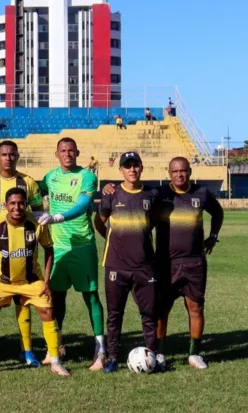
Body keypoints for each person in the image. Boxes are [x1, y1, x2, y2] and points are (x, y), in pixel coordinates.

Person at [102, 156, 223, 370]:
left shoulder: (201, 193)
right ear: (169, 174)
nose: (179, 175)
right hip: (165, 262)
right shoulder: (160, 194)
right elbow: (142, 216)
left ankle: (194, 353)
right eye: (175, 171)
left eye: (183, 171)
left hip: (194, 261)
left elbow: (218, 212)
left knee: (195, 306)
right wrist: (108, 188)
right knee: (161, 308)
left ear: (190, 171)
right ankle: (159, 352)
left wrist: (213, 236)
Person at [0, 188, 70, 378]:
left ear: (26, 205)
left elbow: (49, 250)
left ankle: (55, 361)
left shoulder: (37, 222)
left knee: (48, 311)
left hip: (32, 281)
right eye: (12, 203)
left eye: (21, 203)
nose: (17, 207)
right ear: (5, 206)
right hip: (3, 282)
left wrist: (46, 282)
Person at [37, 137, 105, 370]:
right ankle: (56, 345)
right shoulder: (50, 177)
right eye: (63, 151)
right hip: (58, 248)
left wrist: (57, 217)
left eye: (71, 150)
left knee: (91, 296)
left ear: (77, 152)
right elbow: (37, 193)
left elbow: (83, 205)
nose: (67, 154)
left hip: (82, 247)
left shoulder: (87, 176)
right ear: (56, 154)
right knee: (56, 296)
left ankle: (100, 349)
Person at [0, 140, 44, 367]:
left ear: (17, 156)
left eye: (12, 154)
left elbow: (38, 215)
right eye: (4, 154)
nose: (8, 158)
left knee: (23, 299)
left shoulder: (29, 183)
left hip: (22, 246)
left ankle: (27, 350)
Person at [94, 152, 161, 372]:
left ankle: (152, 356)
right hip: (115, 265)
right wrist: (113, 238)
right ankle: (113, 357)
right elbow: (99, 221)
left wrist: (137, 238)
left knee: (149, 314)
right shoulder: (111, 194)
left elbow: (152, 224)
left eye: (136, 166)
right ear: (121, 170)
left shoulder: (152, 194)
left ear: (142, 168)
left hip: (144, 266)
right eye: (127, 166)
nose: (132, 170)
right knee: (115, 314)